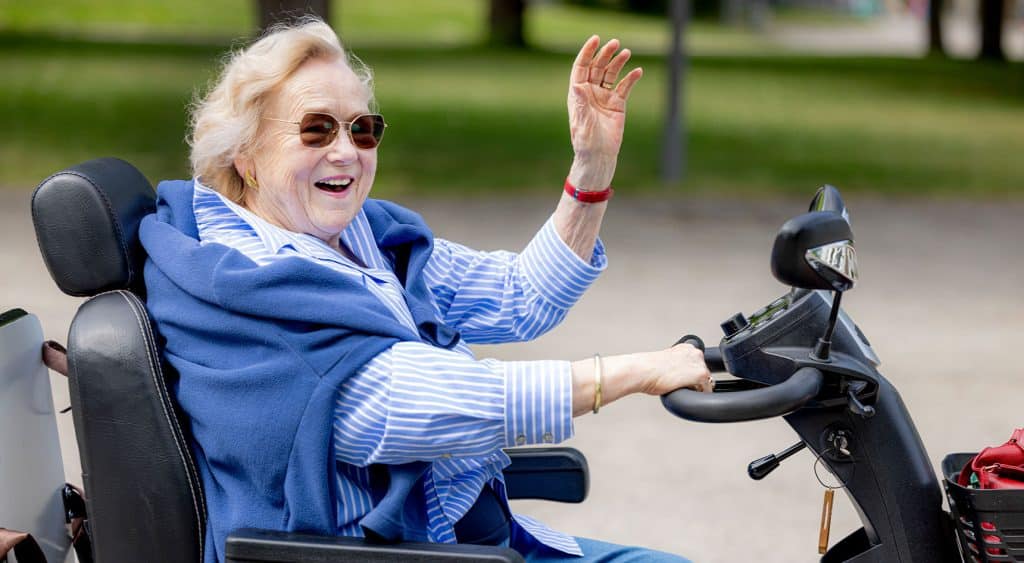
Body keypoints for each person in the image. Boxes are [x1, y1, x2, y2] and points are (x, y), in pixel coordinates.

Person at [139, 18, 712, 563]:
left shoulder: (361, 239)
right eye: (317, 128)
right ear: (247, 157)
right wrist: (632, 372)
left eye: (363, 129)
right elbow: (422, 402)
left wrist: (591, 170)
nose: (346, 151)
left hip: (474, 541)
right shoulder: (248, 287)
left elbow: (517, 296)